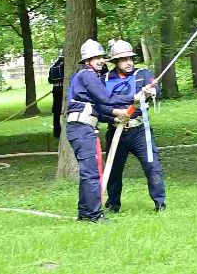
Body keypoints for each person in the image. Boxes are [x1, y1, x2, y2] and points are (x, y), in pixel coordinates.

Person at [64, 40, 130, 224]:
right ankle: (95, 215)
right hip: (81, 128)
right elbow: (106, 98)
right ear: (87, 60)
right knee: (91, 173)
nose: (101, 60)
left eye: (101, 57)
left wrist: (114, 117)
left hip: (83, 128)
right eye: (96, 58)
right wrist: (134, 97)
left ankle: (85, 213)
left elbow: (99, 109)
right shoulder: (87, 75)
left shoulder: (88, 77)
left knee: (88, 173)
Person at [103, 40, 165, 214]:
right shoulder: (105, 79)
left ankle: (160, 204)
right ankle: (113, 205)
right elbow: (101, 105)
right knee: (114, 170)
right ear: (116, 62)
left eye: (130, 58)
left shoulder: (142, 74)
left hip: (139, 130)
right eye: (124, 60)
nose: (129, 62)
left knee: (152, 166)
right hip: (116, 130)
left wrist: (151, 91)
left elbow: (156, 88)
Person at [48, 51, 65, 140]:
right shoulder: (63, 66)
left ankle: (56, 131)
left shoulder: (52, 67)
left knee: (56, 111)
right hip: (62, 89)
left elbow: (50, 80)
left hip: (55, 89)